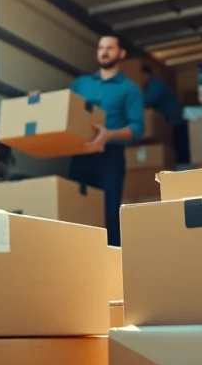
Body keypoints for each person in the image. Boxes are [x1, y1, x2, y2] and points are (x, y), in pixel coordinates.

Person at [32, 35, 144, 245]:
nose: (104, 52)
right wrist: (41, 99)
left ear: (121, 54)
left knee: (109, 216)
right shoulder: (82, 84)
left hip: (109, 158)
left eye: (110, 48)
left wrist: (109, 134)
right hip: (80, 156)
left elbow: (137, 128)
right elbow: (63, 107)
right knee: (77, 213)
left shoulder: (130, 89)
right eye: (101, 48)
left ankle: (113, 270)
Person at [140, 65, 189, 165]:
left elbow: (147, 101)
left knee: (181, 153)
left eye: (142, 76)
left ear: (146, 75)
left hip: (177, 122)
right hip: (172, 122)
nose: (141, 80)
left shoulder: (155, 84)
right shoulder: (152, 85)